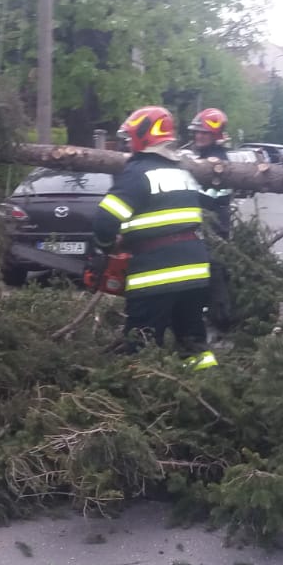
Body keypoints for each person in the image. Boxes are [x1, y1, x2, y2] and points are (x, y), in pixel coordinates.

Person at [92, 106, 218, 370]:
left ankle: (142, 397)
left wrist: (104, 248)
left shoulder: (137, 173)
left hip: (155, 274)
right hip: (195, 271)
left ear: (141, 137)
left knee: (141, 347)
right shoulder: (182, 172)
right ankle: (208, 389)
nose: (127, 144)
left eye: (129, 138)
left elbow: (105, 220)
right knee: (193, 343)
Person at [185, 108, 234, 239]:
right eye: (197, 132)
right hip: (207, 225)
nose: (198, 136)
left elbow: (207, 199)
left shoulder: (217, 162)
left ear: (215, 135)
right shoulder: (205, 156)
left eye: (204, 133)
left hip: (213, 228)